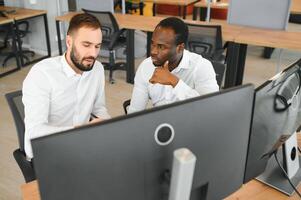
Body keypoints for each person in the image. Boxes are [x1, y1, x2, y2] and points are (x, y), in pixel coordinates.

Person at [22, 13, 110, 159]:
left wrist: (108, 124)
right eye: (86, 45)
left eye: (97, 46)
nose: (93, 53)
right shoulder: (41, 74)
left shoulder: (97, 69)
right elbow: (32, 141)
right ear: (69, 42)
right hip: (51, 152)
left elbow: (98, 108)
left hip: (82, 146)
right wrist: (78, 131)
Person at [128, 17, 219, 113]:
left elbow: (210, 109)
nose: (153, 51)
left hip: (191, 124)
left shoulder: (201, 66)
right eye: (152, 44)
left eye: (161, 47)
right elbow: (134, 111)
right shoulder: (146, 67)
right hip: (160, 125)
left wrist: (174, 81)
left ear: (180, 48)